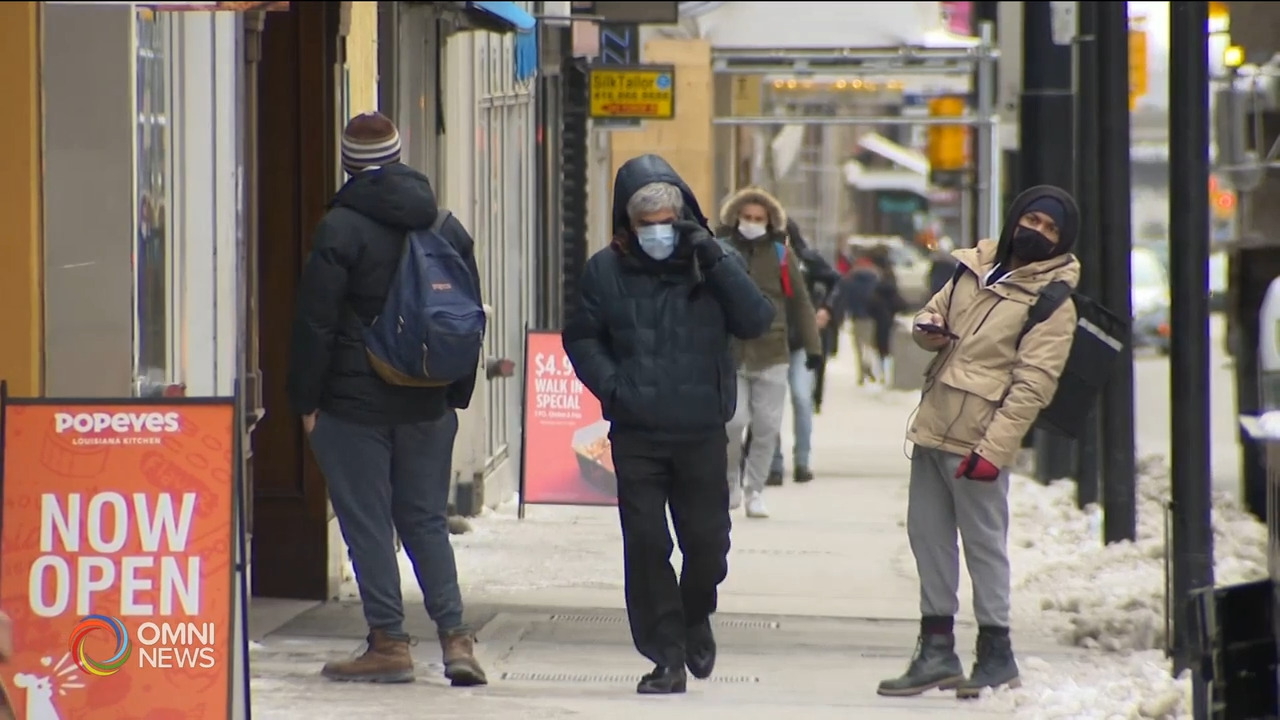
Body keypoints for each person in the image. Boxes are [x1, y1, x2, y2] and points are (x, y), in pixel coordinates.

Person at [287, 111, 487, 687]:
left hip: (354, 405)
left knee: (368, 522)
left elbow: (315, 322)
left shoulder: (341, 228)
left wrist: (305, 400)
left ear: (349, 163)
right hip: (428, 403)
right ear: (399, 158)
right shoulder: (444, 224)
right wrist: (453, 393)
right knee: (425, 520)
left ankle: (389, 644)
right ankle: (455, 640)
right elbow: (465, 316)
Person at [562, 155, 774, 695]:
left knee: (707, 545)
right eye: (645, 224)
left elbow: (756, 320)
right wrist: (615, 389)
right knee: (647, 543)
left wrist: (714, 258)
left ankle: (695, 611)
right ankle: (666, 655)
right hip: (638, 434)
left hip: (702, 430)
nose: (657, 233)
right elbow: (582, 337)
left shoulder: (714, 259)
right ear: (628, 226)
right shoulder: (603, 270)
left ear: (682, 219)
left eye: (666, 222)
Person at [878, 185, 1080, 699]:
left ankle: (996, 653)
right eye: (1032, 219)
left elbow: (1034, 383)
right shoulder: (972, 268)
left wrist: (994, 451)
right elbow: (932, 314)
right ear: (1016, 217)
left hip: (979, 440)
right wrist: (928, 328)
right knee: (928, 539)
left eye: (1051, 229)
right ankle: (935, 651)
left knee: (985, 547)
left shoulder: (1052, 300)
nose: (1037, 231)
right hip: (933, 426)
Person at [718, 188, 822, 517]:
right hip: (732, 352)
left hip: (773, 352)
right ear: (735, 217)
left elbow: (802, 303)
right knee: (733, 424)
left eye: (758, 218)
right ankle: (730, 480)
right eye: (746, 217)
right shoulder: (721, 251)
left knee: (766, 427)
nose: (751, 223)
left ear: (769, 221)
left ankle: (755, 490)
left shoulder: (781, 255)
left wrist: (813, 347)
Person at [866, 245, 908, 386]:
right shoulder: (886, 274)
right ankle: (882, 373)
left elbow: (890, 290)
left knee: (883, 345)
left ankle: (883, 373)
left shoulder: (884, 277)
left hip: (882, 314)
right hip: (883, 314)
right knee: (882, 345)